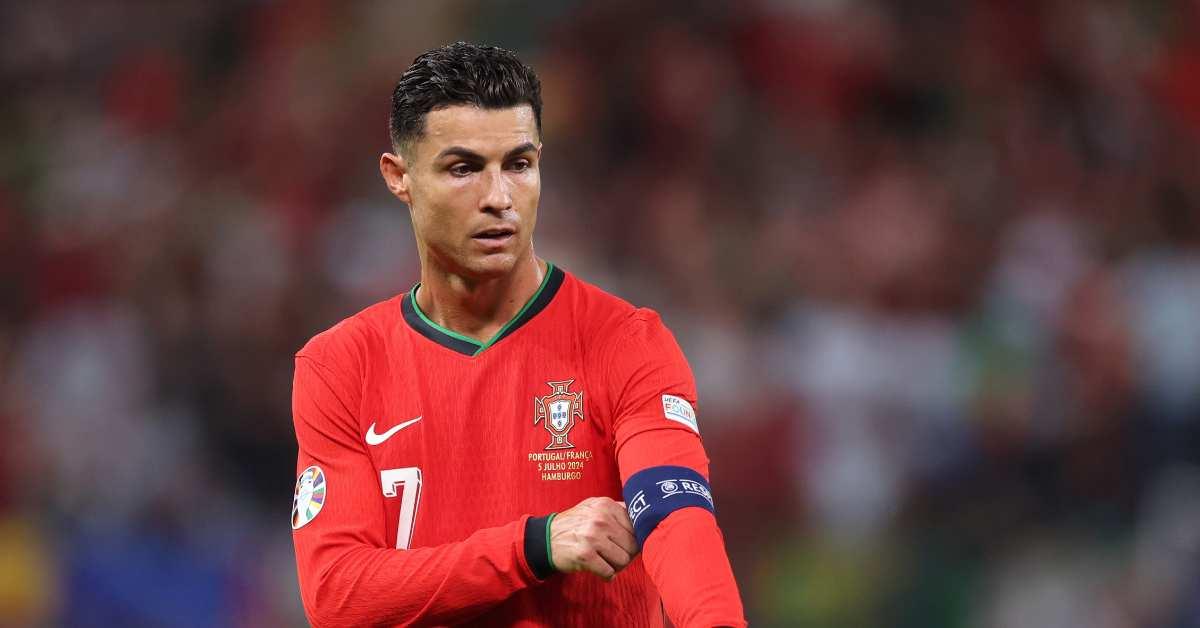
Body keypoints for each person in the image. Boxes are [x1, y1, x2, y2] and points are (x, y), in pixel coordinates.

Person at [290, 41, 746, 627]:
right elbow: (337, 596)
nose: (499, 198)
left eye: (518, 164)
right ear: (398, 177)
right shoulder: (340, 366)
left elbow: (677, 516)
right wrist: (533, 545)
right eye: (464, 169)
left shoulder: (624, 341)